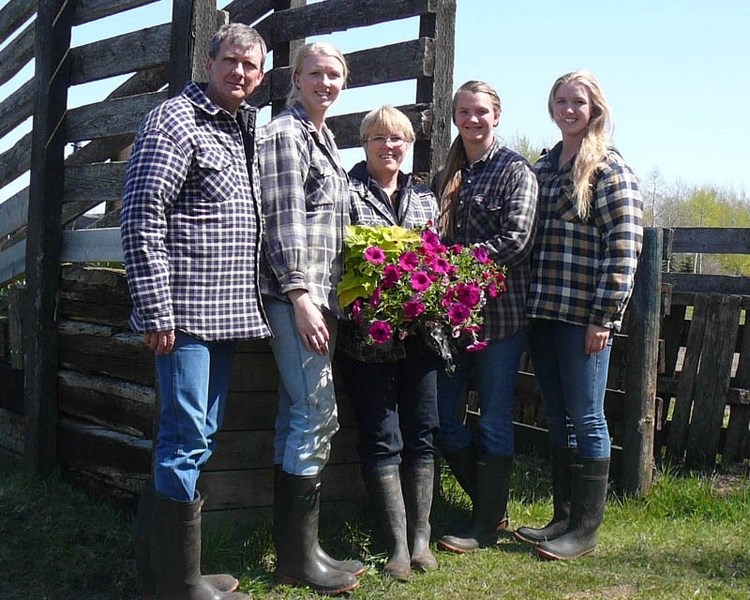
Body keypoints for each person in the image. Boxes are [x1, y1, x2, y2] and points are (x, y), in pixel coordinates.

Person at [121, 23, 269, 600]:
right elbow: (141, 215)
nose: (240, 73)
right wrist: (156, 308)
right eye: (231, 61)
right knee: (185, 437)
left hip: (225, 312)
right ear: (210, 61)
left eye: (251, 67)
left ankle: (161, 573)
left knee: (199, 434)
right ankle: (178, 585)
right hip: (181, 314)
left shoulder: (241, 126)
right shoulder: (175, 119)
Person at [516, 70, 643, 561]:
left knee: (588, 417)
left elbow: (624, 248)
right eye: (562, 101)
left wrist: (604, 316)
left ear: (595, 109)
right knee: (559, 417)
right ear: (552, 107)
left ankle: (585, 532)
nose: (570, 109)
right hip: (543, 311)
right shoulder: (544, 166)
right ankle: (562, 519)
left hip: (583, 314)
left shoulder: (609, 169)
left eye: (580, 102)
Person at [257, 41, 362, 594]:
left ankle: (299, 552)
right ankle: (300, 559)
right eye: (315, 73)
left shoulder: (323, 139)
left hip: (320, 296)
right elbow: (283, 218)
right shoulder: (285, 134)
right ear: (294, 79)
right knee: (316, 414)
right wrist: (299, 295)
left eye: (334, 75)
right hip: (296, 296)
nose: (325, 83)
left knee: (298, 413)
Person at [433, 81, 538, 554]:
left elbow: (516, 240)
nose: (472, 120)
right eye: (463, 112)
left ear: (497, 115)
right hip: (450, 320)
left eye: (480, 112)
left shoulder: (516, 172)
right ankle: (490, 507)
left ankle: (482, 521)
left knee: (493, 419)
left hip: (500, 318)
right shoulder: (448, 173)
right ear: (454, 117)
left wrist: (453, 266)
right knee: (442, 416)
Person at [336, 106, 440, 580]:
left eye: (399, 139)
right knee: (382, 435)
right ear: (365, 144)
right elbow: (338, 258)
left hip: (420, 337)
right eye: (380, 138)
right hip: (367, 339)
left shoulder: (424, 198)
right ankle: (396, 544)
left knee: (422, 431)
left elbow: (435, 261)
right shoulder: (347, 191)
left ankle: (422, 539)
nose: (390, 146)